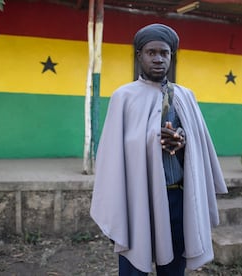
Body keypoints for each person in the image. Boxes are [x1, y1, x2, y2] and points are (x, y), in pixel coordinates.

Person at [90, 23, 228, 275]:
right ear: (139, 55)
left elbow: (199, 146)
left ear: (171, 57)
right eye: (151, 52)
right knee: (133, 266)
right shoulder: (124, 97)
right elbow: (113, 156)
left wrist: (183, 142)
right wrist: (151, 140)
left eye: (164, 53)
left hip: (176, 197)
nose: (158, 59)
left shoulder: (185, 96)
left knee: (174, 268)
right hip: (138, 197)